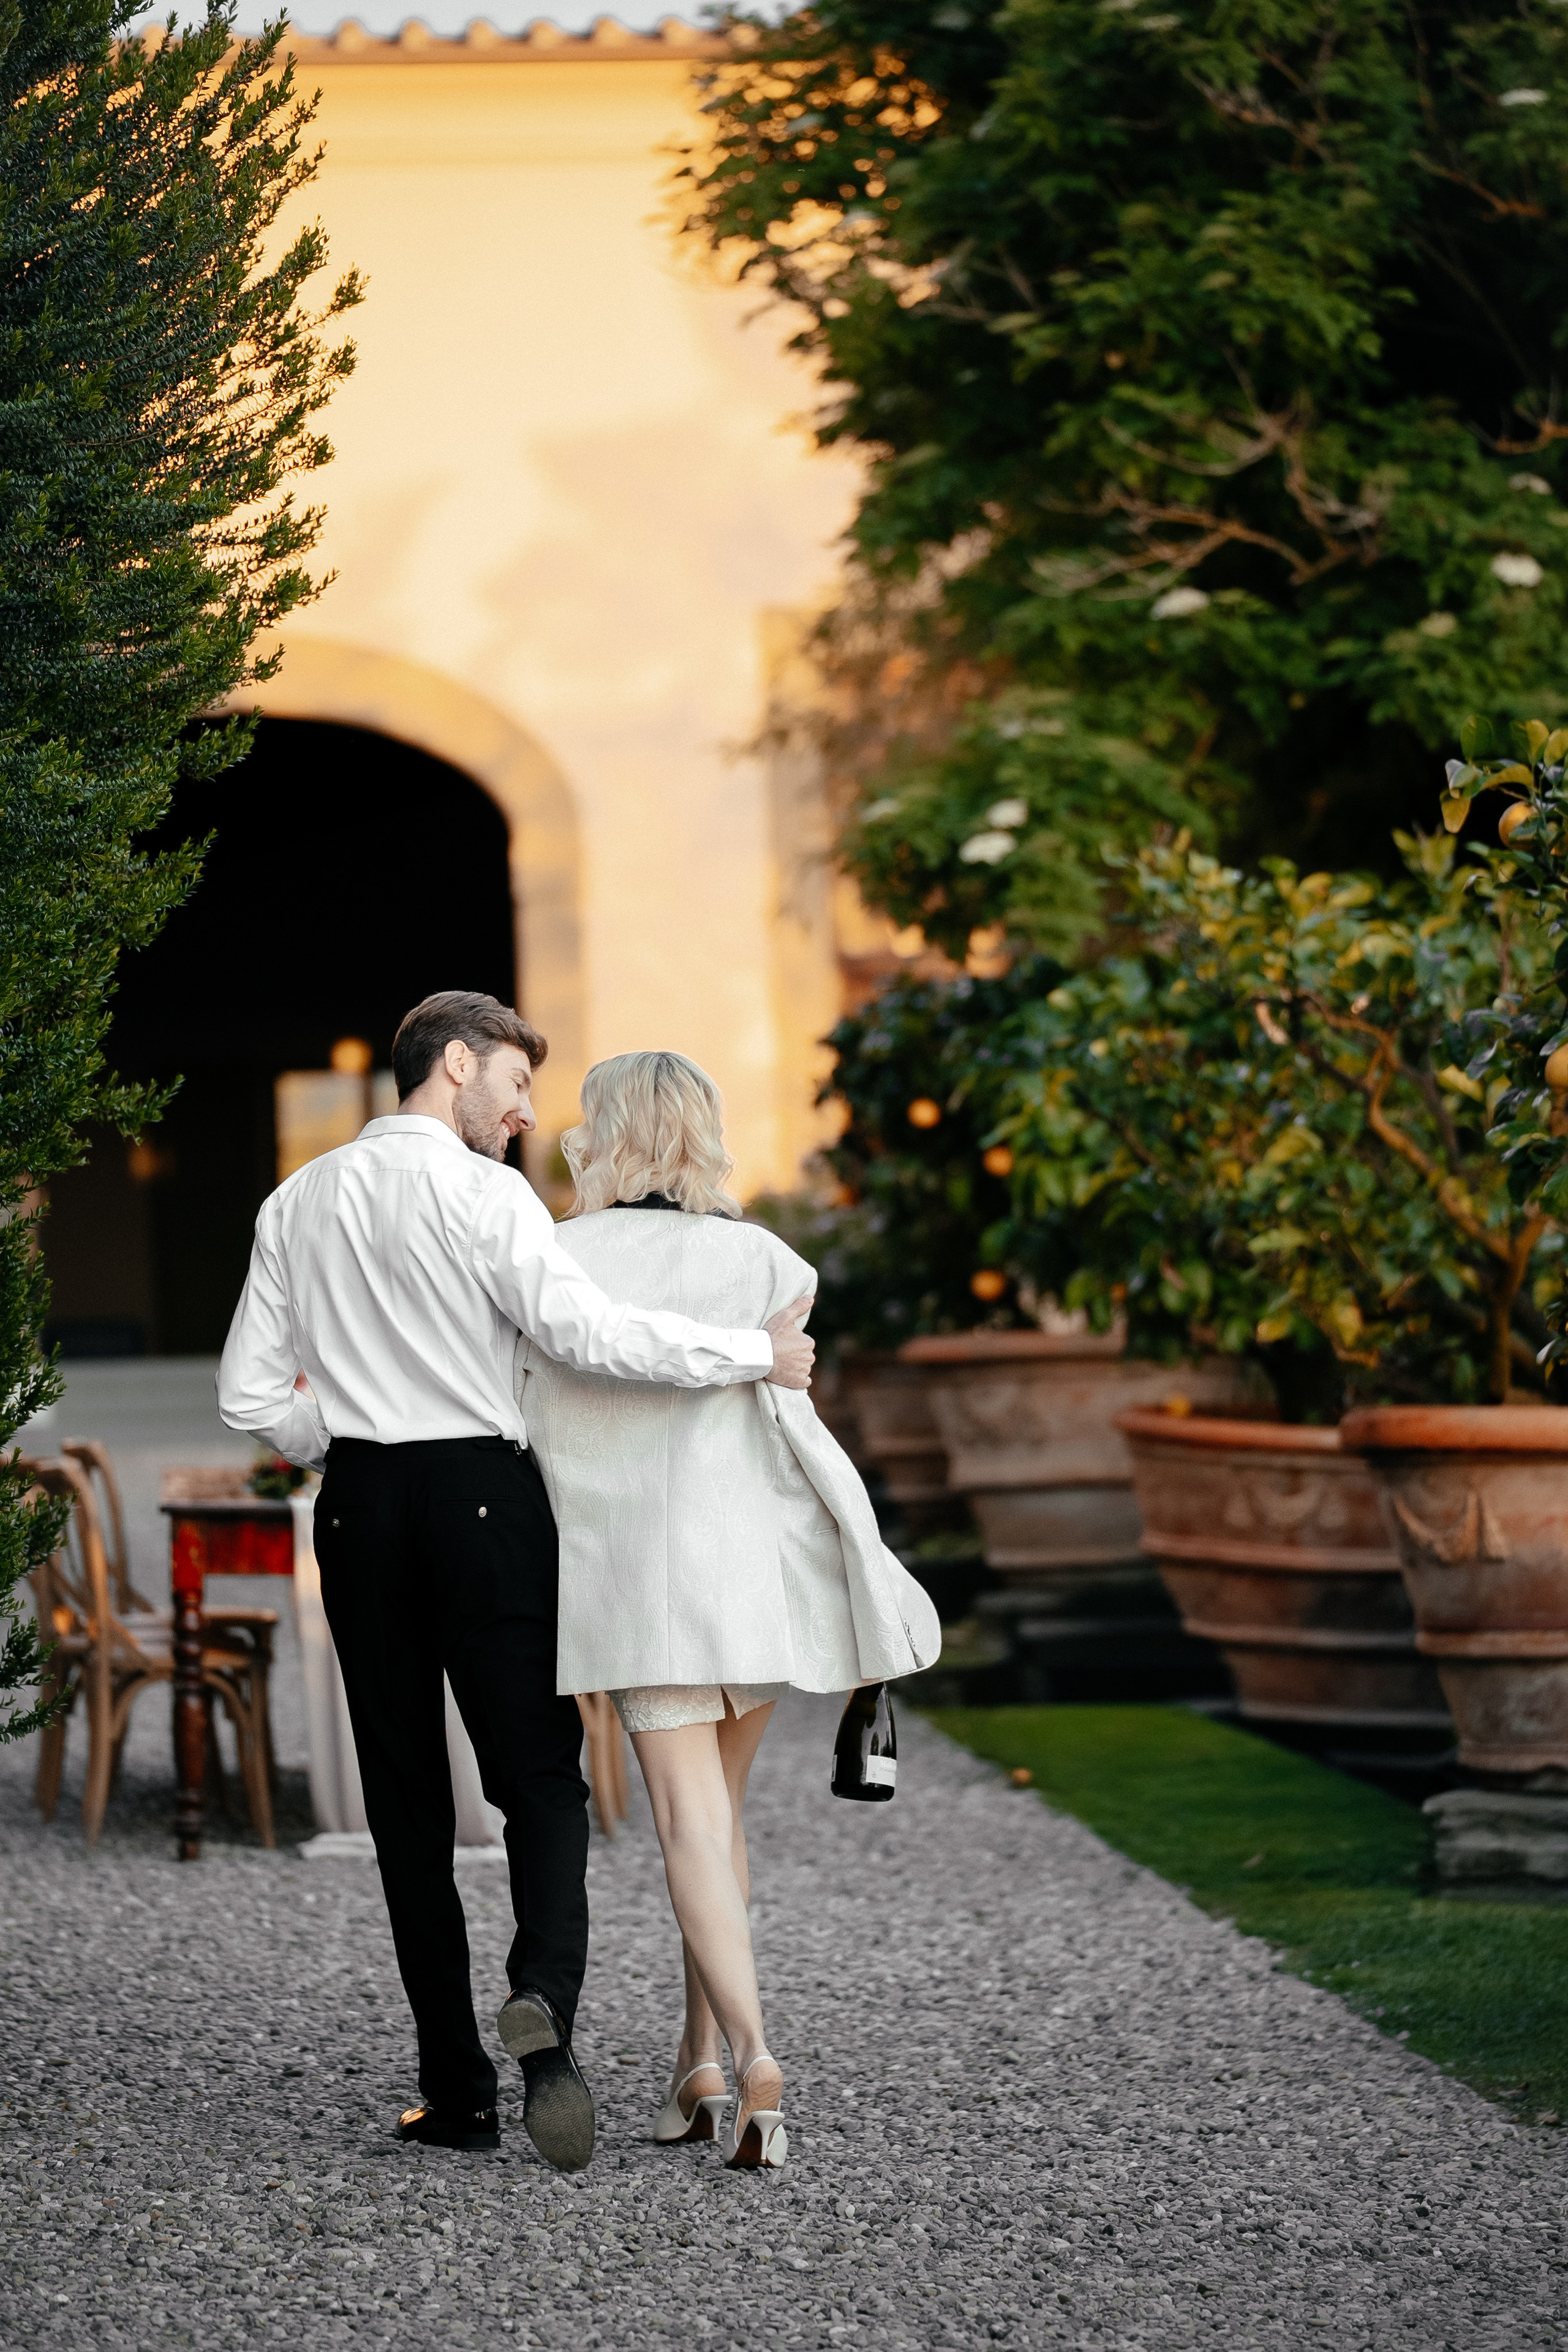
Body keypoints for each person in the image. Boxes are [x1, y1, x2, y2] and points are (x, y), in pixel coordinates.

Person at [216, 993, 815, 2174]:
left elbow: (248, 1401)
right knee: (538, 1779)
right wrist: (755, 1355)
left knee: (403, 1803)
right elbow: (587, 1337)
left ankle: (456, 2092)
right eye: (515, 1086)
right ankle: (545, 2017)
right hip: (487, 1503)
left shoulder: (296, 1201)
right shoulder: (488, 1195)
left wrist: (346, 1422)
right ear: (454, 1066)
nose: (529, 1114)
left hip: (362, 1505)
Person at [517, 1050, 940, 2171]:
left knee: (692, 1829)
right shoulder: (770, 1265)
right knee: (722, 1828)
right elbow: (791, 1434)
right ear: (703, 1133)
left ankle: (756, 2060)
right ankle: (694, 2064)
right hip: (746, 1576)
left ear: (603, 1133)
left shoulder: (553, 1259)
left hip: (634, 1586)